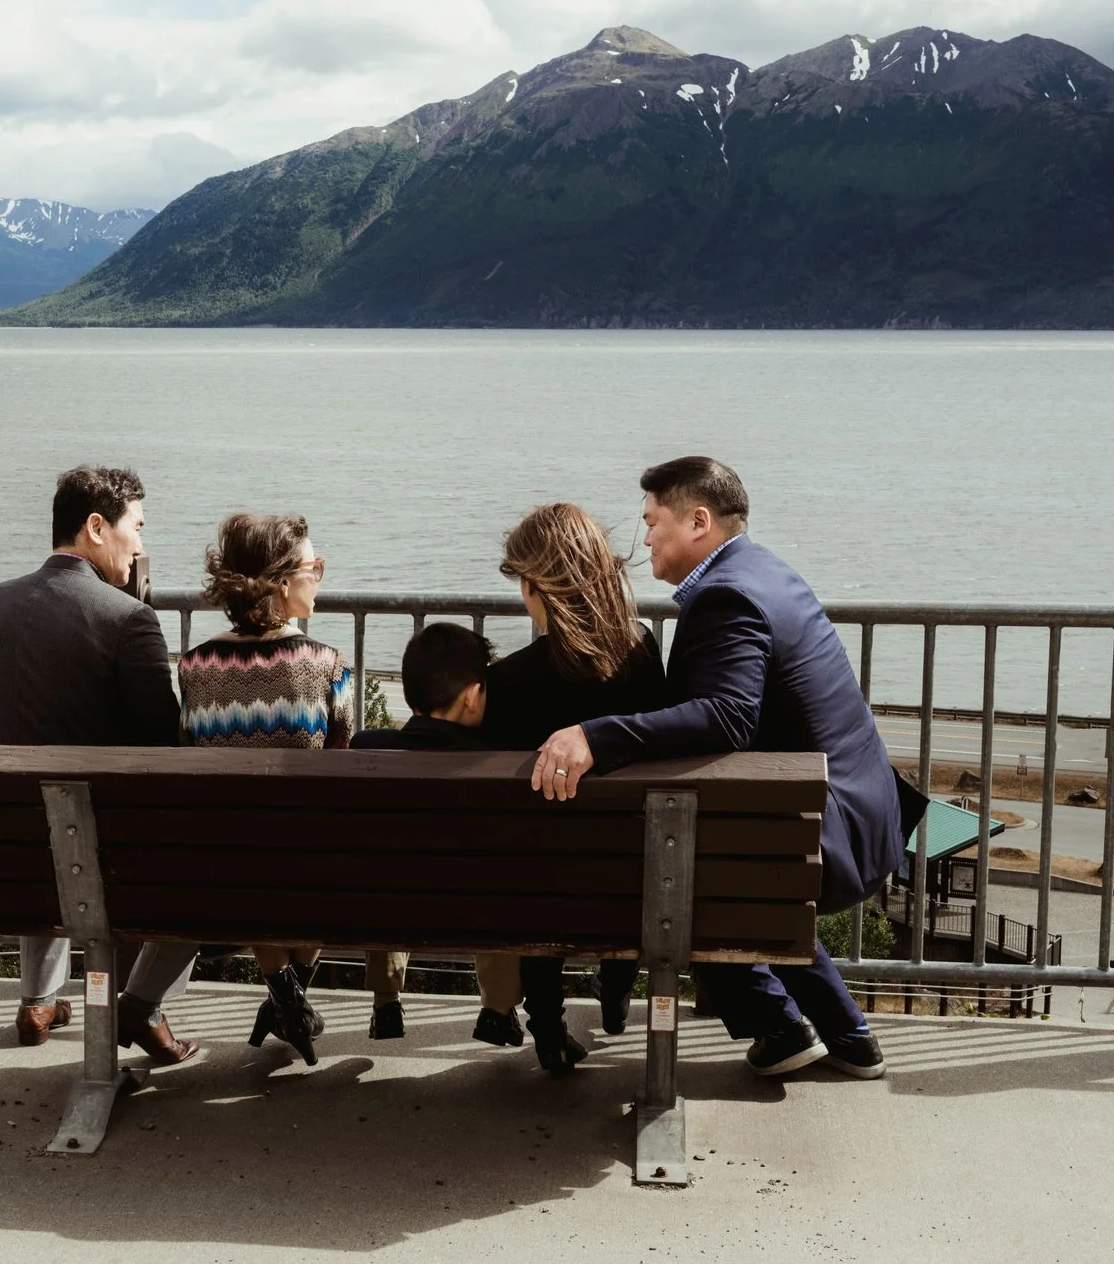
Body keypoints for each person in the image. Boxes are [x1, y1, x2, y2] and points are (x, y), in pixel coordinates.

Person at [530, 457, 902, 1080]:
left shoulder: (725, 595)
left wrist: (596, 736)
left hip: (824, 827)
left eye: (653, 522)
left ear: (698, 521)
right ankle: (847, 1033)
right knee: (726, 867)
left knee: (680, 875)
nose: (644, 536)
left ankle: (781, 1028)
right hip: (859, 804)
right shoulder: (763, 570)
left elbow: (727, 716)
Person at [0, 464, 199, 1063]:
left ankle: (40, 998)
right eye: (136, 527)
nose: (141, 543)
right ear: (96, 527)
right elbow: (162, 747)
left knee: (48, 808)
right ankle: (143, 1006)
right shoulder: (127, 620)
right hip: (101, 870)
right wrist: (135, 619)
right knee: (159, 847)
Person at [480, 502, 668, 1068]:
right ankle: (615, 995)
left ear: (540, 588)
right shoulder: (641, 651)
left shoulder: (507, 681)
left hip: (540, 880)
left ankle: (551, 1034)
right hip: (629, 873)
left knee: (537, 876)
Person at [177, 512, 355, 1065]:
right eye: (315, 566)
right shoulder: (326, 666)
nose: (321, 576)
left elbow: (189, 753)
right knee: (316, 848)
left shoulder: (193, 667)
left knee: (249, 845)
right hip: (310, 867)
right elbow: (342, 759)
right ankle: (290, 999)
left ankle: (285, 1000)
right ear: (280, 582)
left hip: (223, 869)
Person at [351, 622, 525, 1049]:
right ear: (471, 697)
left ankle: (386, 1000)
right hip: (477, 911)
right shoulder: (498, 764)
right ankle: (498, 1010)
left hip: (391, 905)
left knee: (384, 870)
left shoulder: (367, 748)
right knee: (500, 883)